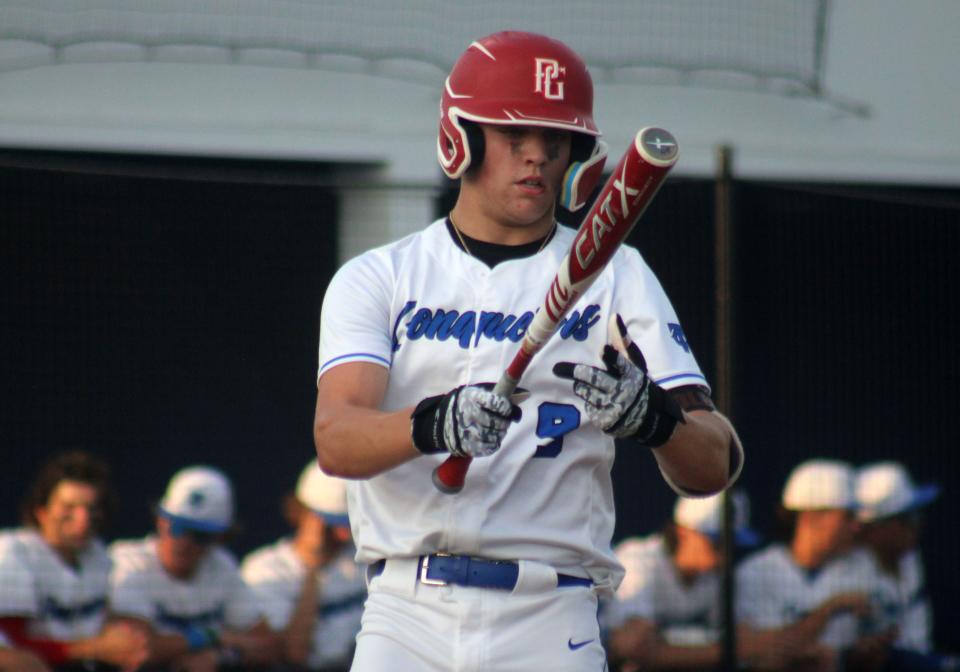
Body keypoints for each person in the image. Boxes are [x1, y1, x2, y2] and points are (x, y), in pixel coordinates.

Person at [312, 30, 743, 671]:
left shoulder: (618, 274)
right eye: (514, 136)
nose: (537, 156)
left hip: (550, 612)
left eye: (554, 138)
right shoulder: (381, 276)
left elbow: (717, 462)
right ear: (463, 138)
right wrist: (433, 423)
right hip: (406, 608)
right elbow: (337, 440)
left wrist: (654, 420)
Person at [108, 465, 278, 671]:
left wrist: (222, 657)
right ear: (160, 521)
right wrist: (212, 636)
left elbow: (268, 645)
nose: (184, 542)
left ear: (220, 538)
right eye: (178, 527)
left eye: (200, 535)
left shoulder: (221, 566)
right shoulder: (128, 563)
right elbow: (137, 649)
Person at [736, 459, 895, 671]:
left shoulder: (863, 565)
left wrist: (864, 653)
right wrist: (831, 608)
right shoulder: (755, 572)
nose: (857, 527)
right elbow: (769, 653)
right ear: (812, 517)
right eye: (847, 516)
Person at [0, 450, 148, 671]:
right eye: (68, 508)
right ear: (41, 511)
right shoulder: (13, 553)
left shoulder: (100, 557)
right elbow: (12, 651)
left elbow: (116, 629)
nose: (82, 520)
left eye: (91, 509)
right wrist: (93, 648)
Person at [605, 490, 785, 671]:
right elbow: (633, 647)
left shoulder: (715, 576)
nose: (724, 554)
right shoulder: (638, 558)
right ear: (683, 533)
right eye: (716, 543)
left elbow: (744, 637)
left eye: (731, 544)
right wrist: (729, 651)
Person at [241, 460, 366, 671]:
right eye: (334, 524)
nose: (345, 534)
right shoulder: (264, 568)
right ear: (304, 514)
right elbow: (294, 654)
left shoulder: (362, 555)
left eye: (349, 524)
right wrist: (314, 567)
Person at [854, 461, 959, 671]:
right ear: (876, 528)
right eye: (906, 518)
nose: (917, 524)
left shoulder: (909, 559)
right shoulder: (845, 572)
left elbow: (919, 642)